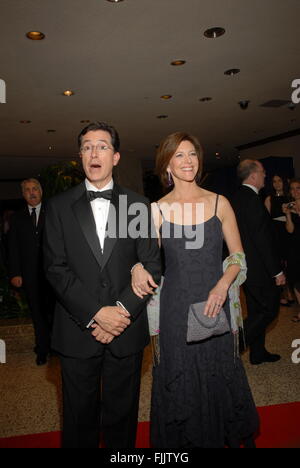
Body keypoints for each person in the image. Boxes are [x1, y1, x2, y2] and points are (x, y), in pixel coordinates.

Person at [131, 132, 259, 448]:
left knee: (218, 370)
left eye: (192, 154)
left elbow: (238, 257)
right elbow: (143, 259)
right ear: (167, 166)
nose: (188, 161)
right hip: (174, 306)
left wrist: (222, 284)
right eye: (179, 155)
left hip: (216, 303)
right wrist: (135, 267)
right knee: (181, 373)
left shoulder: (220, 202)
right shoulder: (155, 211)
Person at [43, 121, 161, 449]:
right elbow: (55, 269)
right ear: (80, 155)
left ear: (116, 156)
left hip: (127, 327)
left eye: (103, 146)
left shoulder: (137, 204)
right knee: (78, 417)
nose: (94, 152)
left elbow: (152, 264)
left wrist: (119, 312)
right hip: (77, 330)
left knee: (122, 416)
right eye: (87, 146)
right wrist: (96, 313)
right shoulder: (57, 206)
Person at [232, 160, 286, 365]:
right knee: (269, 310)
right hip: (260, 269)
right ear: (253, 175)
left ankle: (258, 353)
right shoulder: (253, 200)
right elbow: (262, 239)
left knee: (256, 309)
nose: (265, 176)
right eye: (263, 172)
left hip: (246, 268)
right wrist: (277, 271)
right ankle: (235, 345)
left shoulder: (236, 198)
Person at [7, 179, 52, 365]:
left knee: (54, 313)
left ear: (41, 192)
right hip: (30, 275)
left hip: (54, 273)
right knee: (37, 313)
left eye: (35, 189)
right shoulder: (17, 218)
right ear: (23, 194)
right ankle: (42, 350)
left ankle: (57, 347)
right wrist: (15, 273)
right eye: (27, 190)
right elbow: (12, 247)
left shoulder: (54, 212)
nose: (32, 193)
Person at [264, 175, 292, 306]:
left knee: (290, 262)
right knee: (279, 263)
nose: (277, 184)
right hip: (276, 233)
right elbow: (266, 221)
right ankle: (282, 293)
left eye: (279, 180)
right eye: (274, 181)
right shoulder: (270, 199)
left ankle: (291, 292)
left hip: (290, 231)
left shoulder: (290, 197)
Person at [282, 178, 300, 322]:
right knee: (294, 279)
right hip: (294, 247)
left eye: (298, 188)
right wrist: (288, 214)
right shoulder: (290, 206)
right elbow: (290, 230)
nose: (295, 191)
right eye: (292, 189)